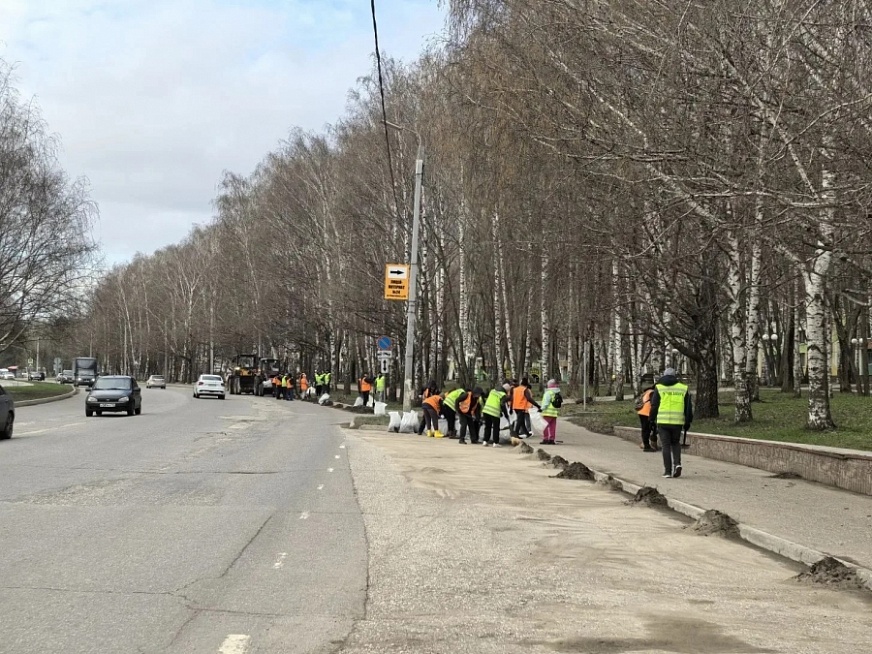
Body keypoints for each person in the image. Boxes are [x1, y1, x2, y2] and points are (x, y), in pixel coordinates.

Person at [649, 368, 693, 478]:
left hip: (663, 421)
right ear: (675, 376)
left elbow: (654, 405)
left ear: (664, 376)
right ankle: (677, 464)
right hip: (677, 422)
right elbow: (688, 407)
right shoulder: (683, 388)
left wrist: (651, 419)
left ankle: (667, 471)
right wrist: (688, 421)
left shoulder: (659, 387)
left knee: (666, 446)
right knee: (676, 443)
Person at [481, 382, 512, 447]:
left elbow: (491, 400)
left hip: (486, 410)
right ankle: (495, 443)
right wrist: (506, 415)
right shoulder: (503, 394)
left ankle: (485, 441)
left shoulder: (492, 391)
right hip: (494, 412)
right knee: (496, 428)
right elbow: (502, 405)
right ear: (506, 390)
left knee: (487, 426)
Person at [636, 385, 658, 451]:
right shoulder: (652, 392)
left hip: (641, 411)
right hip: (647, 412)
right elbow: (654, 403)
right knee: (647, 429)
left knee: (646, 428)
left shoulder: (647, 391)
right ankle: (646, 446)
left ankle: (645, 443)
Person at [540, 379, 561, 444]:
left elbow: (546, 403)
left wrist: (541, 409)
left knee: (544, 426)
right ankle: (551, 439)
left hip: (547, 412)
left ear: (549, 385)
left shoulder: (548, 393)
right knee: (552, 427)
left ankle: (545, 439)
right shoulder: (556, 393)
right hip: (554, 412)